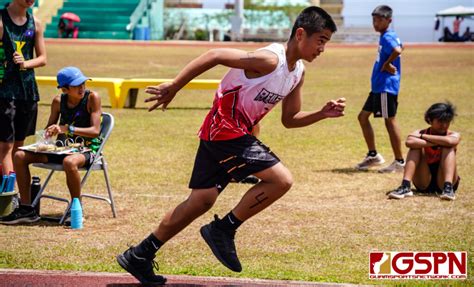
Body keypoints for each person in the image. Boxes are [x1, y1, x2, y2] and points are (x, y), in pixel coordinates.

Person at [117, 6, 345, 284]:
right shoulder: (269, 59)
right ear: (300, 34)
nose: (323, 48)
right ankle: (224, 229)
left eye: (326, 42)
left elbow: (290, 119)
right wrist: (176, 85)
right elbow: (215, 55)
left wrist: (322, 113)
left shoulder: (297, 73)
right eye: (321, 40)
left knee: (201, 201)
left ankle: (139, 255)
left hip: (223, 135)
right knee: (281, 181)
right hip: (225, 131)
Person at [0, 67, 102, 224]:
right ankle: (27, 209)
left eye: (83, 83)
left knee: (70, 162)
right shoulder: (58, 101)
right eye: (76, 85)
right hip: (62, 150)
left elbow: (95, 131)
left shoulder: (92, 98)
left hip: (88, 151)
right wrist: (47, 136)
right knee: (19, 155)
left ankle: (76, 208)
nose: (82, 87)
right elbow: (49, 129)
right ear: (64, 89)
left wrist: (67, 128)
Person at [0, 0, 47, 181]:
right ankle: (9, 196)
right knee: (5, 146)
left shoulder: (35, 24)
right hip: (4, 92)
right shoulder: (2, 20)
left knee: (19, 146)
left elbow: (42, 58)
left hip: (27, 92)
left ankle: (18, 198)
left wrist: (25, 63)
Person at [356, 5, 404, 173]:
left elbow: (398, 50)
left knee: (389, 121)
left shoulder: (387, 37)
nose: (375, 23)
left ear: (389, 20)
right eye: (374, 20)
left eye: (379, 20)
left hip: (385, 87)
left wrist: (387, 63)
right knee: (362, 117)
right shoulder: (387, 36)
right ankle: (373, 155)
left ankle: (399, 162)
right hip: (378, 87)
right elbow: (400, 46)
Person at [388, 102, 460, 201]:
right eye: (440, 121)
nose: (444, 125)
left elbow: (450, 141)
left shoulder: (452, 134)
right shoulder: (419, 132)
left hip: (444, 179)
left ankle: (448, 188)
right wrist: (435, 142)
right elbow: (409, 142)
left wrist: (423, 137)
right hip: (424, 180)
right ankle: (405, 186)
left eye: (447, 121)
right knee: (415, 146)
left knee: (448, 146)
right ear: (430, 120)